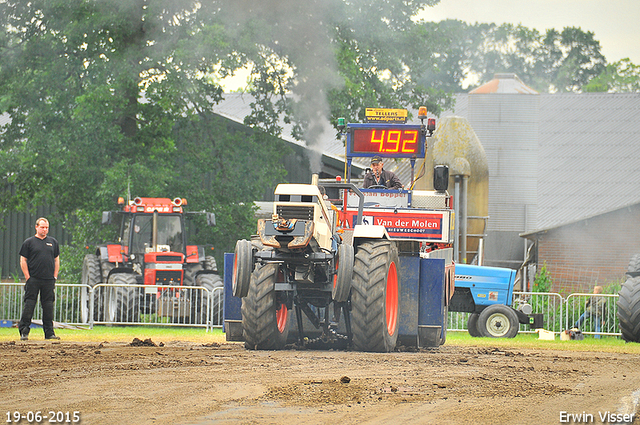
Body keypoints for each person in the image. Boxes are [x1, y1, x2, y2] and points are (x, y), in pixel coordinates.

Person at [18, 217, 60, 341]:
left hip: (48, 280)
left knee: (48, 306)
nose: (44, 230)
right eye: (42, 227)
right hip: (34, 279)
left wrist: (55, 276)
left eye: (46, 227)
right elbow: (23, 260)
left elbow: (56, 259)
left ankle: (49, 333)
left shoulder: (53, 242)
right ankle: (24, 331)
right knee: (29, 305)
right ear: (36, 227)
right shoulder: (29, 242)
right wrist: (28, 277)